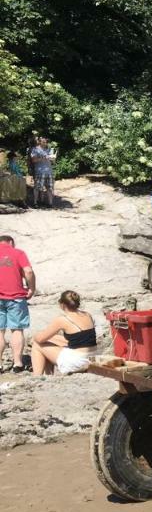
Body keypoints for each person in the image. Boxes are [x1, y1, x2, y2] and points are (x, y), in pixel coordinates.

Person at [30, 290, 98, 375]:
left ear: (62, 304)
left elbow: (40, 339)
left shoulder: (62, 320)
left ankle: (37, 377)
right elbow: (79, 338)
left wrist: (35, 336)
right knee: (53, 338)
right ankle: (48, 375)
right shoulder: (87, 314)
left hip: (77, 361)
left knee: (37, 345)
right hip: (92, 358)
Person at [0, 235, 35, 372]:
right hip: (16, 296)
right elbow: (28, 271)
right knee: (17, 330)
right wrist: (31, 288)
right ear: (11, 242)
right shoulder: (18, 252)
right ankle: (18, 364)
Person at [29, 136, 55, 208]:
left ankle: (50, 203)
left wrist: (53, 159)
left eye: (46, 142)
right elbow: (33, 160)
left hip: (49, 171)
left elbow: (52, 161)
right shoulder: (35, 149)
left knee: (49, 188)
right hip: (40, 171)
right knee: (37, 188)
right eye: (43, 142)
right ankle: (35, 203)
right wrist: (43, 158)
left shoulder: (49, 149)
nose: (45, 143)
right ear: (39, 142)